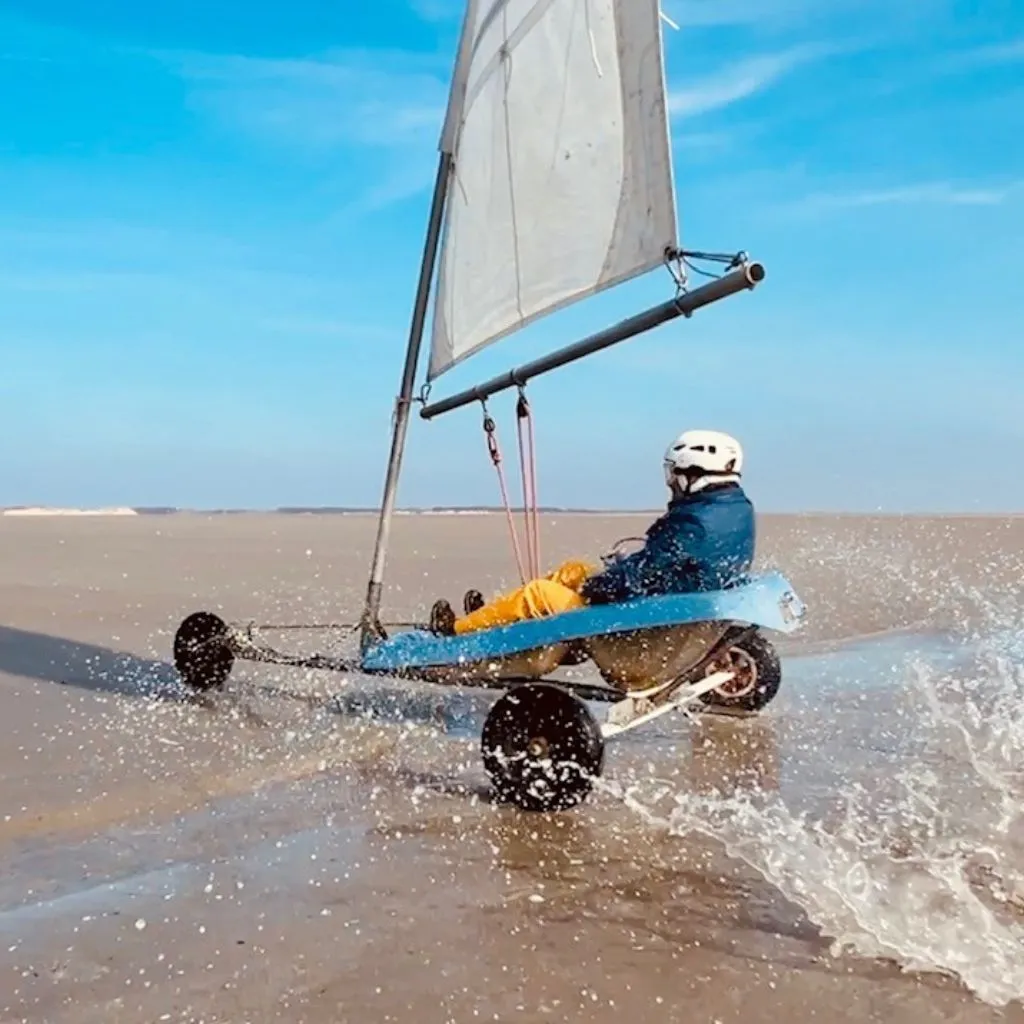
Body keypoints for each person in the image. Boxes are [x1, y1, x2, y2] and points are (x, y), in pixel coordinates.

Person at [428, 429, 755, 636]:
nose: (670, 481)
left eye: (674, 473)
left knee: (538, 594)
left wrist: (597, 585)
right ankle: (489, 617)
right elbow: (665, 565)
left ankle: (455, 630)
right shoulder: (736, 508)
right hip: (680, 601)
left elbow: (642, 577)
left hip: (646, 617)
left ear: (694, 474)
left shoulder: (692, 524)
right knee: (573, 568)